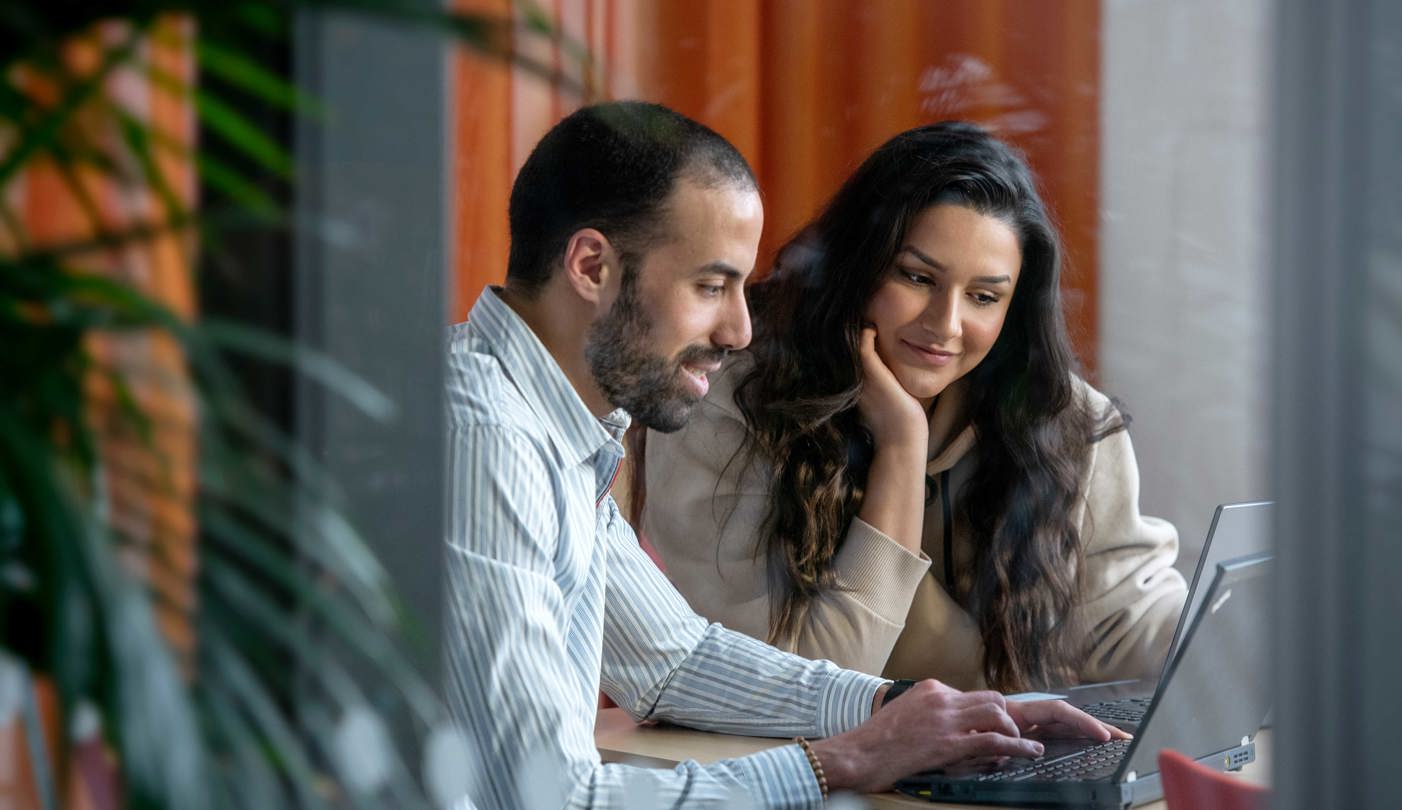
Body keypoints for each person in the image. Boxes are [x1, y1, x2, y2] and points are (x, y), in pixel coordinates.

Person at [442, 103, 1120, 809]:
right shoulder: (486, 442)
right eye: (711, 286)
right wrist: (843, 762)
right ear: (591, 267)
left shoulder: (551, 429)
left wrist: (917, 706)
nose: (739, 329)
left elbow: (674, 661)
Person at [639, 121, 1188, 694]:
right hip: (785, 768)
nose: (945, 326)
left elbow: (1125, 626)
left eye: (984, 297)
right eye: (918, 277)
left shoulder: (1059, 421)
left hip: (992, 762)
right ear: (857, 266)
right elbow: (800, 685)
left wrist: (1251, 646)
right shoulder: (727, 402)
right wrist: (901, 447)